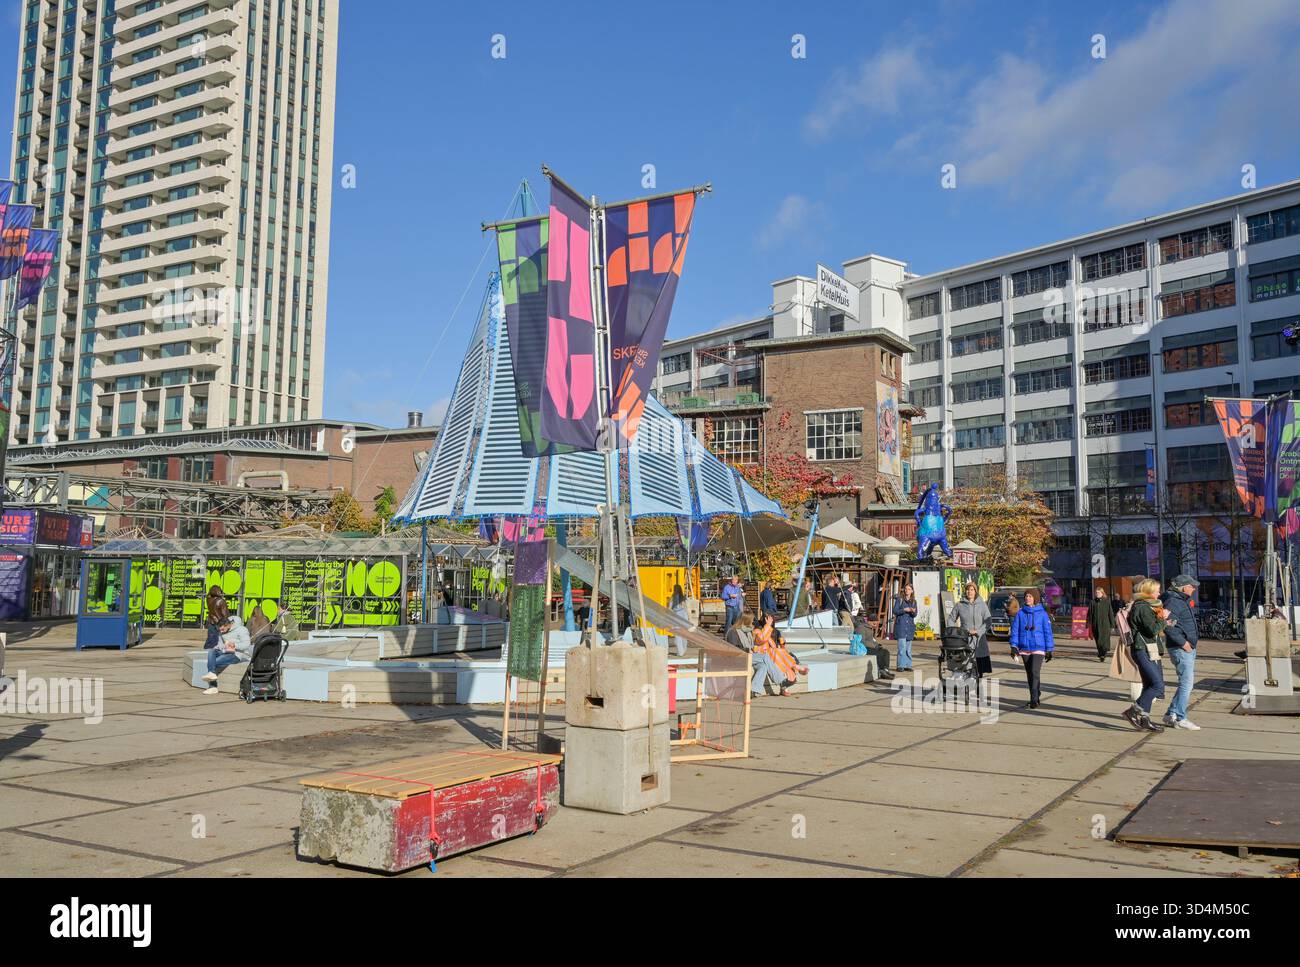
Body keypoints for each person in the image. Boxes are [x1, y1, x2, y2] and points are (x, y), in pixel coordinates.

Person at [1122, 578, 1168, 732]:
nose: (1159, 593)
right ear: (1148, 593)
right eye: (1157, 591)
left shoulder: (1148, 606)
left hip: (1147, 649)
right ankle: (1133, 711)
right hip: (1142, 649)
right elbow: (1151, 630)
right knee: (1157, 685)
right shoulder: (1142, 607)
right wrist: (1164, 619)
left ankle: (1145, 719)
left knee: (1149, 685)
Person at [1160, 574, 1202, 731]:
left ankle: (1171, 714)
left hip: (1185, 647)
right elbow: (1168, 625)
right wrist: (1184, 643)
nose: (1194, 588)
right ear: (1184, 587)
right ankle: (1180, 717)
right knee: (1186, 684)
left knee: (1186, 683)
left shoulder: (1179, 600)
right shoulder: (1174, 601)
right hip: (1181, 648)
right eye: (1192, 586)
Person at [1009, 587, 1053, 708]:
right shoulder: (1020, 613)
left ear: (1035, 598)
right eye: (1026, 596)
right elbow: (1015, 631)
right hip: (1024, 648)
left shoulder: (1043, 614)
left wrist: (1049, 649)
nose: (1027, 598)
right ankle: (1035, 694)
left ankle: (1034, 699)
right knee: (1030, 674)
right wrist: (1014, 646)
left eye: (1030, 596)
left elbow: (1047, 632)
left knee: (1035, 671)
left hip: (1038, 647)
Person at [728, 612, 783, 698]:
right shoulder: (733, 632)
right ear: (746, 621)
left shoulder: (748, 631)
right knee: (765, 656)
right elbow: (732, 649)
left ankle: (753, 690)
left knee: (763, 666)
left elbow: (757, 642)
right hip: (738, 658)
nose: (753, 623)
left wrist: (754, 648)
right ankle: (781, 681)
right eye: (752, 621)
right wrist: (747, 650)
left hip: (748, 656)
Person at [753, 613, 808, 696]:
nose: (770, 622)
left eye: (771, 620)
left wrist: (782, 643)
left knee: (782, 655)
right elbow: (761, 640)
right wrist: (767, 626)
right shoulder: (757, 630)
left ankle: (785, 684)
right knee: (778, 655)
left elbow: (779, 646)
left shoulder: (776, 631)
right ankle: (794, 667)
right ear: (765, 620)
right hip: (764, 654)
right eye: (768, 620)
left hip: (774, 653)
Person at [200, 614, 252, 696]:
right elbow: (220, 644)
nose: (221, 631)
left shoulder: (242, 630)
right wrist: (218, 647)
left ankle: (213, 686)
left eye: (223, 629)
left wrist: (234, 645)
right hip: (225, 651)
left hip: (237, 654)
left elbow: (247, 644)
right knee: (211, 651)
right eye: (219, 630)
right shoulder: (222, 631)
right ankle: (212, 676)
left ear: (228, 625)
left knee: (215, 662)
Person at [952, 581, 993, 678]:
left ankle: (977, 688)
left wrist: (979, 631)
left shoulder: (982, 604)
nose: (969, 592)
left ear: (975, 591)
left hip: (979, 640)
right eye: (967, 589)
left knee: (979, 670)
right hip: (964, 640)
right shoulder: (960, 605)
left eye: (972, 590)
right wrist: (955, 632)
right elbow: (951, 618)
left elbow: (988, 621)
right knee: (965, 667)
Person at [892, 584, 917, 672]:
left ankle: (908, 665)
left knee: (908, 649)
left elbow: (915, 614)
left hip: (909, 627)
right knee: (901, 647)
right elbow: (895, 611)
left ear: (912, 591)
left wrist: (913, 611)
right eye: (906, 589)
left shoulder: (914, 601)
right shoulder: (900, 599)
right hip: (901, 626)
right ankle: (900, 665)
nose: (907, 591)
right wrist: (904, 610)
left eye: (909, 589)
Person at [1088, 587, 1116, 662]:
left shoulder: (1107, 601)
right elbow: (1089, 614)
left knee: (1105, 640)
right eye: (1096, 593)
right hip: (1095, 624)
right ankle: (1101, 653)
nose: (1097, 594)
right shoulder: (1092, 602)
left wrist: (1113, 625)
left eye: (1098, 592)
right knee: (1098, 640)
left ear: (1102, 593)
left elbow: (1110, 613)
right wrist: (1088, 624)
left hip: (1105, 624)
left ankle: (1103, 653)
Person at [204, 586, 229, 651]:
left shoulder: (209, 599)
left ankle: (206, 650)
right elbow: (224, 613)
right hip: (220, 622)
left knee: (211, 638)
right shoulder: (221, 601)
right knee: (218, 639)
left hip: (211, 620)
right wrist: (227, 621)